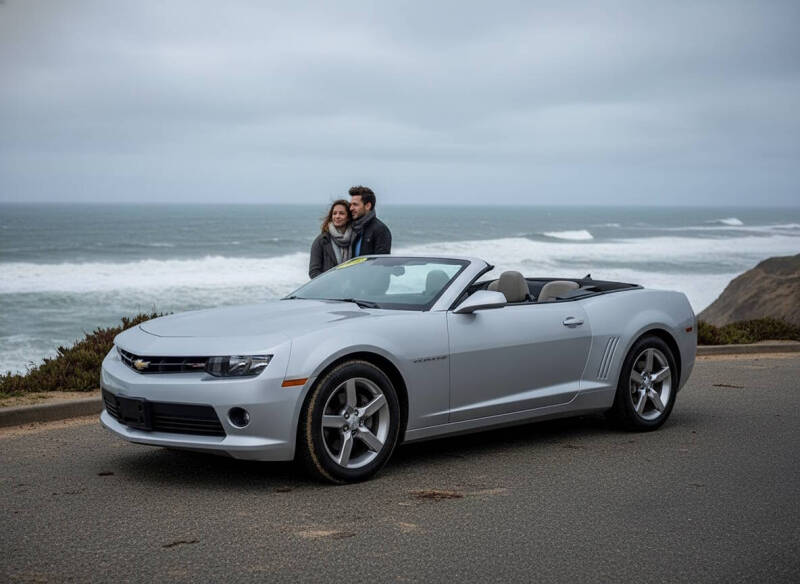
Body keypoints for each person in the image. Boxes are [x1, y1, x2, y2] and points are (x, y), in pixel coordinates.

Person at [308, 199, 353, 278]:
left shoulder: (355, 238)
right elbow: (314, 272)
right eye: (334, 213)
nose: (337, 216)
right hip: (329, 288)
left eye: (341, 213)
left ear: (348, 217)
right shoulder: (322, 240)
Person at [348, 185, 391, 257]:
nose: (351, 208)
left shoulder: (380, 230)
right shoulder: (354, 228)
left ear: (368, 206)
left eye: (355, 205)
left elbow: (381, 263)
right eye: (351, 205)